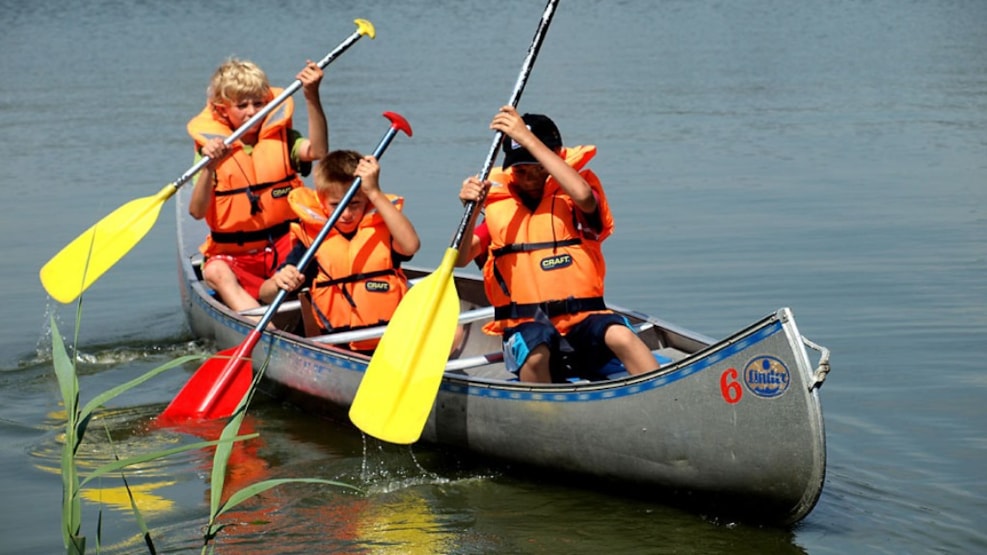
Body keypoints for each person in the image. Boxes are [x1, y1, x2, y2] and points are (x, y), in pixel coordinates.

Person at [456, 106, 659, 383]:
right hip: (526, 329)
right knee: (537, 348)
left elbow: (585, 197)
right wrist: (471, 209)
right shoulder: (499, 209)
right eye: (521, 170)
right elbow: (460, 259)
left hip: (584, 323)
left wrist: (526, 139)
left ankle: (665, 395)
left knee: (621, 334)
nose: (529, 178)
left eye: (538, 168)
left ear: (555, 159)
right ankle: (541, 417)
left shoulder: (574, 198)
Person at [188, 57, 328, 312]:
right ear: (222, 110)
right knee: (216, 271)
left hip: (285, 248)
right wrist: (209, 166)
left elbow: (318, 151)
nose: (252, 112)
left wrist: (311, 96)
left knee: (326, 249)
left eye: (258, 103)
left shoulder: (284, 138)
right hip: (234, 257)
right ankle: (265, 331)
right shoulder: (209, 150)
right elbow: (197, 212)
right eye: (242, 105)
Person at [259, 150, 420, 352]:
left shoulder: (385, 231)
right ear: (322, 203)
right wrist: (279, 281)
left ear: (367, 201)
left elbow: (411, 245)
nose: (346, 214)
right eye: (336, 205)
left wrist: (374, 192)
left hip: (391, 342)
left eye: (355, 204)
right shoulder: (312, 244)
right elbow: (265, 294)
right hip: (338, 347)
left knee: (453, 331)